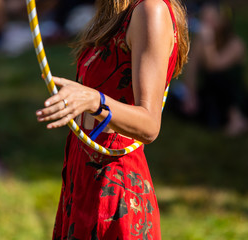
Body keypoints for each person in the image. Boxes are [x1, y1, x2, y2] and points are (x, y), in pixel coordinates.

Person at [35, 0, 189, 239]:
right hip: (83, 179)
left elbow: (149, 125)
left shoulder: (151, 11)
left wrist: (94, 101)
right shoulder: (115, 12)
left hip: (114, 187)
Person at [183, 3, 248, 135]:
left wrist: (208, 42)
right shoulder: (200, 42)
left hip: (233, 96)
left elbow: (214, 66)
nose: (207, 24)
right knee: (178, 103)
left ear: (223, 20)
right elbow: (191, 69)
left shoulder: (236, 44)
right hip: (210, 92)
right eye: (204, 20)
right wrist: (191, 95)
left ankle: (238, 119)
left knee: (218, 78)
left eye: (211, 20)